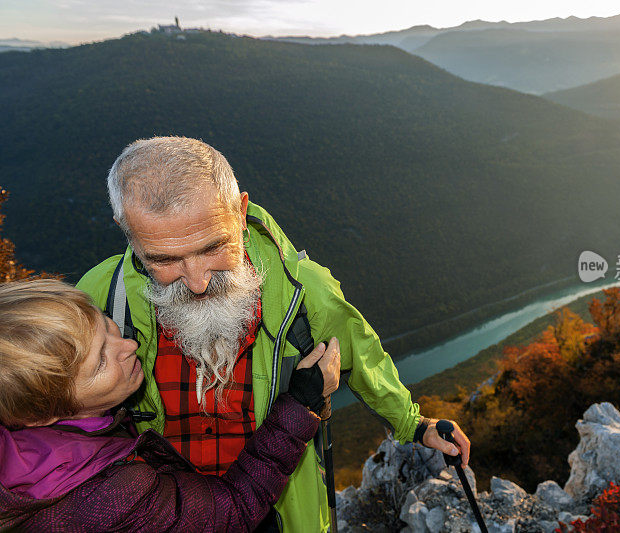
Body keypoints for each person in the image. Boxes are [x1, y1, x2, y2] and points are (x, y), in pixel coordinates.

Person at [76, 136, 471, 532]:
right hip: (163, 515)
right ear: (127, 233)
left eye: (214, 247)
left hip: (274, 512)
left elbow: (360, 354)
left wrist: (414, 425)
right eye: (163, 259)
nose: (197, 281)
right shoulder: (99, 300)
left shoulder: (303, 294)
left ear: (240, 210)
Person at [0, 279, 339, 531]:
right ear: (42, 413)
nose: (129, 345)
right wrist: (300, 405)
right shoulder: (110, 496)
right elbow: (231, 512)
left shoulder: (25, 446)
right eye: (100, 363)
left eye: (106, 324)